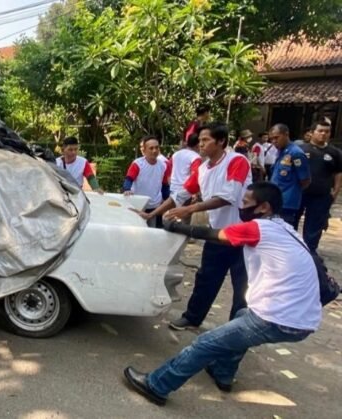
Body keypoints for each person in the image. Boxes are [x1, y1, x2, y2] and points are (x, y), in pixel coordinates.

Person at [124, 182, 320, 406]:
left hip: (276, 318)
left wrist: (175, 227)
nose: (241, 206)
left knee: (205, 344)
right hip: (302, 319)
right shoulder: (285, 228)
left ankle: (157, 385)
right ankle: (223, 373)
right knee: (242, 317)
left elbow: (213, 234)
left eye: (246, 203)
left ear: (264, 207)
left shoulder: (258, 228)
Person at [140, 123, 251, 330]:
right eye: (199, 140)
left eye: (205, 140)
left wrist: (190, 210)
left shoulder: (237, 161)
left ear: (221, 141)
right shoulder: (202, 169)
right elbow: (180, 195)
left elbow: (229, 197)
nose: (200, 145)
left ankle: (238, 328)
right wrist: (152, 213)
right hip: (217, 233)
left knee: (242, 285)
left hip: (243, 234)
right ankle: (192, 318)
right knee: (206, 279)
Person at [298, 121, 342, 253]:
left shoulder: (335, 153)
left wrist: (336, 191)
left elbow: (338, 173)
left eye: (327, 131)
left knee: (314, 226)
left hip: (321, 195)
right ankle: (291, 249)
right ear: (312, 132)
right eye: (320, 131)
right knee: (291, 222)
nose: (323, 134)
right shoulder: (301, 149)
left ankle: (310, 251)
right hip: (300, 193)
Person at [123, 135, 172, 228]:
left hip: (155, 206)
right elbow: (129, 179)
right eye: (151, 148)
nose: (154, 150)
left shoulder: (163, 165)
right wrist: (127, 189)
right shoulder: (137, 164)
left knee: (154, 231)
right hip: (139, 204)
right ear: (144, 150)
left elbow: (165, 185)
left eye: (157, 148)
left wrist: (167, 200)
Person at [269, 124, 310, 227]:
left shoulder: (296, 153)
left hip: (287, 204)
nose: (274, 141)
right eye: (271, 139)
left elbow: (305, 180)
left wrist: (293, 191)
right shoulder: (281, 152)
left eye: (276, 137)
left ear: (286, 135)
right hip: (275, 202)